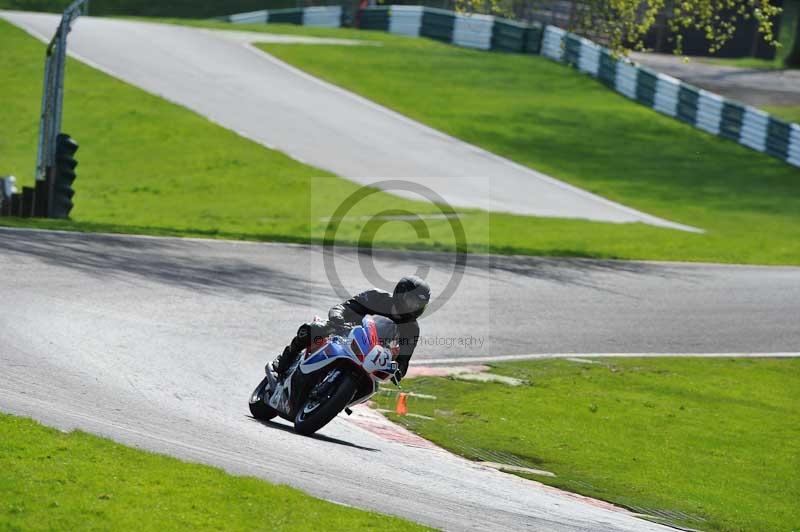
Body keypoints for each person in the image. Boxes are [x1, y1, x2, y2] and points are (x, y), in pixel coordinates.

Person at [271, 275, 431, 382]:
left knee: (373, 383)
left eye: (419, 305)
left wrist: (397, 371)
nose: (414, 308)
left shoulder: (412, 329)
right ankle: (283, 362)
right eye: (412, 302)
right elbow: (341, 308)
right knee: (313, 329)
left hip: (371, 355)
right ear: (400, 294)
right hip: (345, 333)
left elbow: (404, 361)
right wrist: (339, 319)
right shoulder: (376, 297)